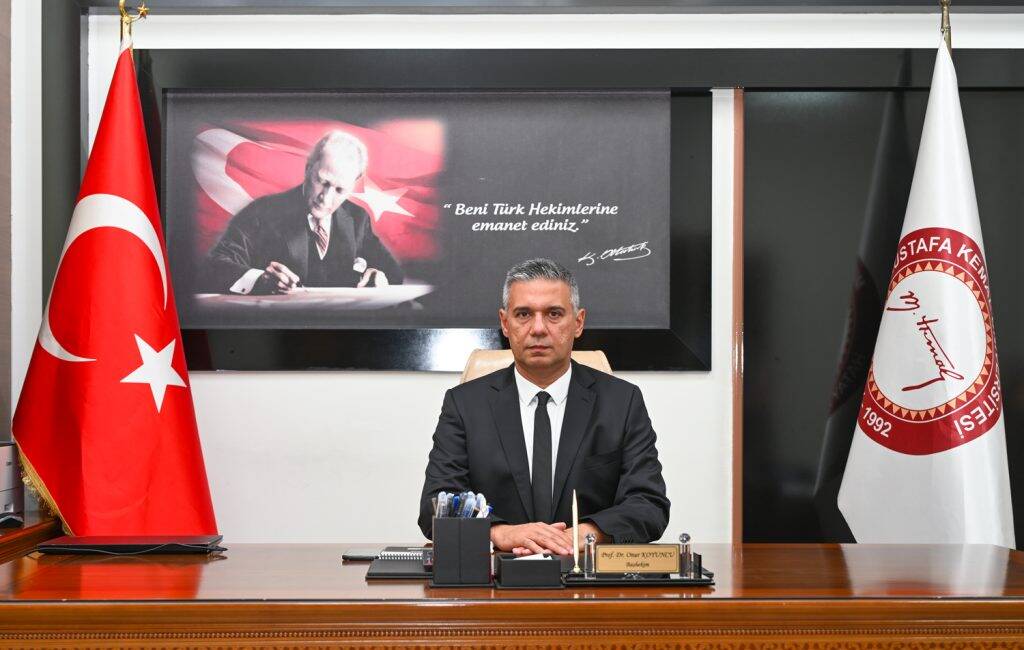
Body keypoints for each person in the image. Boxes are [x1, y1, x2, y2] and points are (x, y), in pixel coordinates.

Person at [418, 258, 669, 555]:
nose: (538, 328)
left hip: (588, 583)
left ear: (578, 323)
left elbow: (649, 504)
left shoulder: (622, 402)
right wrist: (499, 532)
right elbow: (437, 504)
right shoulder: (464, 405)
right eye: (523, 314)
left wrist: (588, 532)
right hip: (495, 585)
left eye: (554, 314)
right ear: (505, 323)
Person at [205, 130, 404, 294]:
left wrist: (377, 274)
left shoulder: (357, 218)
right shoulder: (262, 212)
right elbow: (214, 266)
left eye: (339, 190)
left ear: (352, 186)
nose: (325, 198)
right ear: (308, 169)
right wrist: (259, 279)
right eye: (322, 182)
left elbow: (393, 272)